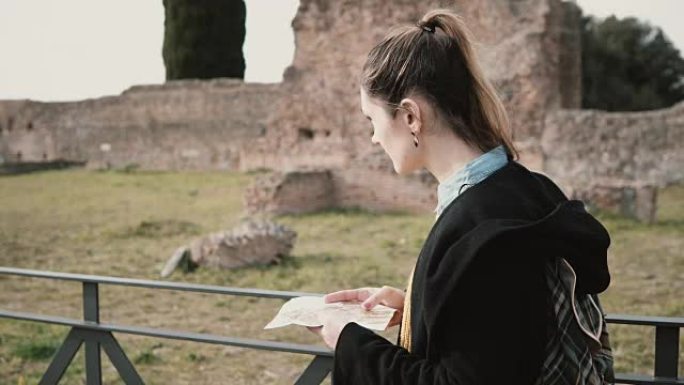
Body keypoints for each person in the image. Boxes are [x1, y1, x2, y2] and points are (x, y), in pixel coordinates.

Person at [307, 8, 614, 385]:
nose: (373, 137)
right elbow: (507, 328)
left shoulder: (485, 232)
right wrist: (416, 308)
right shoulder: (526, 189)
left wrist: (348, 341)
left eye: (371, 120)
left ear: (410, 117)